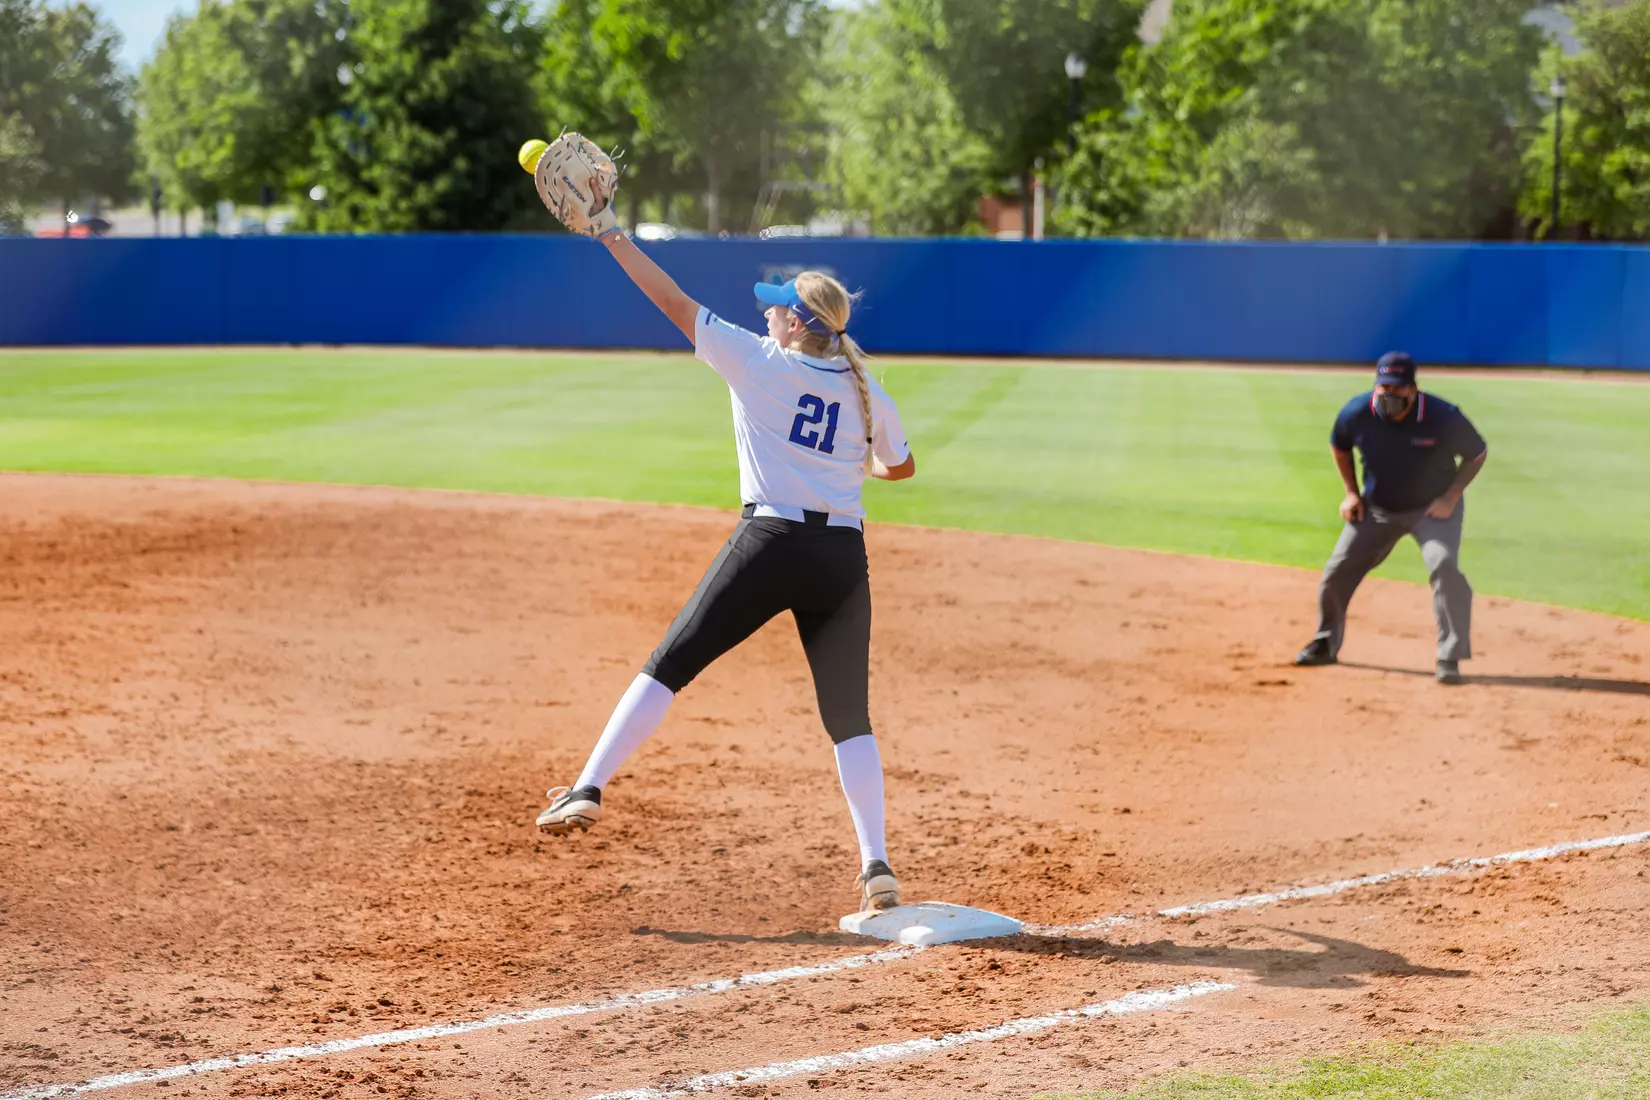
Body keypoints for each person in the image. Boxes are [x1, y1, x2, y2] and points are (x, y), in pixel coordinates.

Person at [531, 230, 917, 913]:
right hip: (840, 561)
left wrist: (612, 236)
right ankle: (877, 864)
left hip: (769, 541)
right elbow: (902, 466)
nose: (766, 312)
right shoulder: (866, 391)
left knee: (671, 660)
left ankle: (589, 784)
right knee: (848, 715)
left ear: (795, 324)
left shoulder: (759, 360)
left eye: (775, 307)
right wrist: (856, 466)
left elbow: (671, 300)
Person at [1294, 352, 1488, 685]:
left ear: (1413, 390)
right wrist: (1352, 493)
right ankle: (1325, 642)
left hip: (1431, 509)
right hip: (1379, 508)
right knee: (1337, 570)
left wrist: (1451, 496)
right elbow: (1339, 445)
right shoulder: (1357, 412)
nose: (1389, 395)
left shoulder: (1443, 416)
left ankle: (1449, 656)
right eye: (1383, 387)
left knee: (1444, 565)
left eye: (1397, 389)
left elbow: (1477, 452)